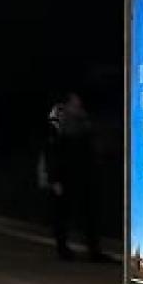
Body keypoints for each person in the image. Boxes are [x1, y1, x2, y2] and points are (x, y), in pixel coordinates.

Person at [44, 91, 104, 262]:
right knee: (63, 213)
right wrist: (54, 178)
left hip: (85, 173)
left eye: (79, 104)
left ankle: (94, 250)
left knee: (90, 212)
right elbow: (52, 150)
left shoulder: (84, 122)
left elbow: (92, 145)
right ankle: (62, 248)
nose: (78, 107)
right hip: (65, 174)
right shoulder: (58, 120)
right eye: (74, 104)